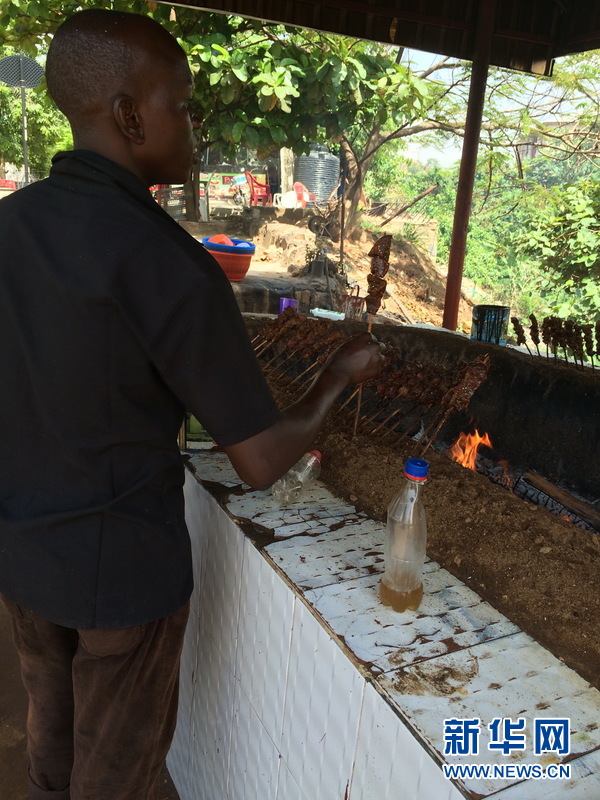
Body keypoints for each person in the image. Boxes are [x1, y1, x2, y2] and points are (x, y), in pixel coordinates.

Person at [0, 9, 383, 800]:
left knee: (51, 750)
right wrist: (340, 375)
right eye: (183, 103)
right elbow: (260, 461)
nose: (196, 124)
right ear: (130, 114)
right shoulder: (171, 265)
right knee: (116, 780)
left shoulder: (12, 226)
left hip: (24, 556)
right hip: (123, 584)